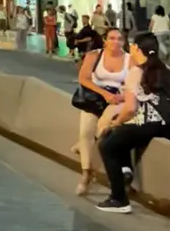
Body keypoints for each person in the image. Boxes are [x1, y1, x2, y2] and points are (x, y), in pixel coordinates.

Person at [96, 32, 170, 213]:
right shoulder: (165, 69)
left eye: (132, 46)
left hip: (149, 123)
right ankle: (125, 169)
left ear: (137, 49)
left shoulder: (136, 72)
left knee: (107, 143)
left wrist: (115, 123)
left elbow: (129, 109)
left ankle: (119, 199)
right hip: (166, 125)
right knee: (125, 134)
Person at [71, 28, 129, 196]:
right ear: (105, 40)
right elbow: (83, 78)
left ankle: (88, 165)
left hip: (117, 99)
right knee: (85, 133)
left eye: (119, 39)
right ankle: (86, 173)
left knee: (103, 129)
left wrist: (121, 95)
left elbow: (135, 83)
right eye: (111, 38)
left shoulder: (129, 59)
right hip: (95, 97)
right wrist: (105, 94)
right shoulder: (94, 55)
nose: (115, 42)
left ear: (124, 42)